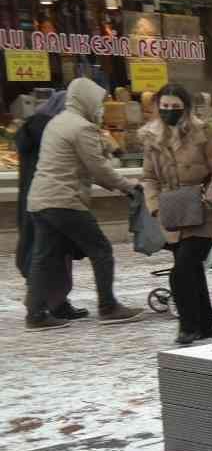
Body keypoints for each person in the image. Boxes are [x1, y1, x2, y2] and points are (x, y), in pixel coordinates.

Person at [23, 78, 143, 329]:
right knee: (100, 250)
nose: (101, 107)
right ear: (86, 99)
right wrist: (128, 186)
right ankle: (108, 306)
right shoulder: (81, 127)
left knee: (43, 257)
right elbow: (98, 168)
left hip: (39, 200)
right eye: (99, 102)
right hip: (65, 200)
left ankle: (35, 314)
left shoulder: (56, 122)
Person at [142, 83, 212, 346]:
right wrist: (154, 205)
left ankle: (187, 327)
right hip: (172, 211)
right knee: (192, 270)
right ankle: (206, 325)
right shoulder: (152, 138)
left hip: (202, 210)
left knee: (182, 270)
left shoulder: (203, 133)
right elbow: (149, 177)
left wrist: (209, 198)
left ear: (185, 108)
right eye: (164, 107)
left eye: (175, 108)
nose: (169, 112)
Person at [15, 89, 89, 321]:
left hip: (33, 198)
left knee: (42, 251)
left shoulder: (33, 129)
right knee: (50, 252)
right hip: (53, 197)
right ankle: (44, 307)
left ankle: (53, 304)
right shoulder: (52, 132)